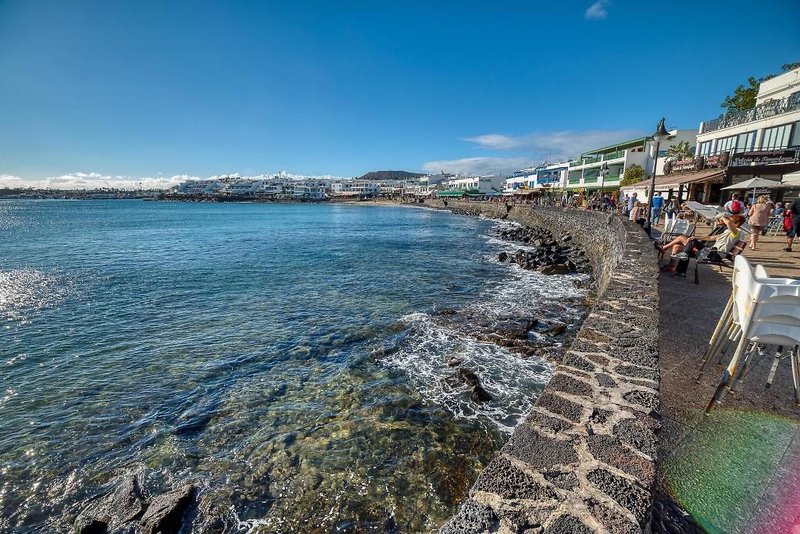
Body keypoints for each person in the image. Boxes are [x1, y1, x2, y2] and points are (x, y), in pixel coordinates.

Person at [658, 213, 746, 271]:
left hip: (715, 254)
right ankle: (680, 272)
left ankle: (666, 250)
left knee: (690, 243)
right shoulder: (728, 232)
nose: (726, 223)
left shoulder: (736, 232)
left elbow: (729, 224)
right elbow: (711, 237)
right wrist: (695, 237)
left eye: (730, 222)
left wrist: (722, 216)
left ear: (736, 224)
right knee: (686, 248)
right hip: (711, 252)